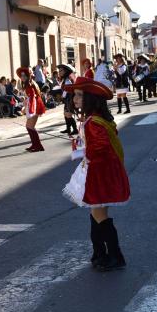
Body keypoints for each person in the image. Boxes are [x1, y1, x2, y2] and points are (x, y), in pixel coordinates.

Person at [62, 77, 130, 271]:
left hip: (99, 175)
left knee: (99, 216)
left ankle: (115, 256)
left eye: (79, 95)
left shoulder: (94, 123)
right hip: (99, 172)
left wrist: (86, 150)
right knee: (96, 215)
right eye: (74, 95)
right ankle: (100, 253)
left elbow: (99, 148)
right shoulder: (93, 120)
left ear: (91, 99)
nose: (75, 99)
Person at [17, 67, 46, 152]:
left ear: (27, 75)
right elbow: (30, 97)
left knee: (30, 127)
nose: (22, 77)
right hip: (33, 105)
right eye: (21, 76)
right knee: (30, 127)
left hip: (35, 106)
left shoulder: (29, 84)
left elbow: (32, 97)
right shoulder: (28, 83)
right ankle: (36, 144)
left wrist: (27, 108)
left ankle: (38, 146)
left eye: (24, 75)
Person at [58, 63, 79, 135]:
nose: (59, 72)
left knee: (68, 114)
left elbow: (67, 89)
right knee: (66, 114)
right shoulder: (65, 79)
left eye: (61, 70)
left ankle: (75, 129)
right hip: (67, 99)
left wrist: (62, 96)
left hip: (69, 99)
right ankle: (68, 128)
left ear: (65, 71)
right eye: (59, 71)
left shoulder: (68, 79)